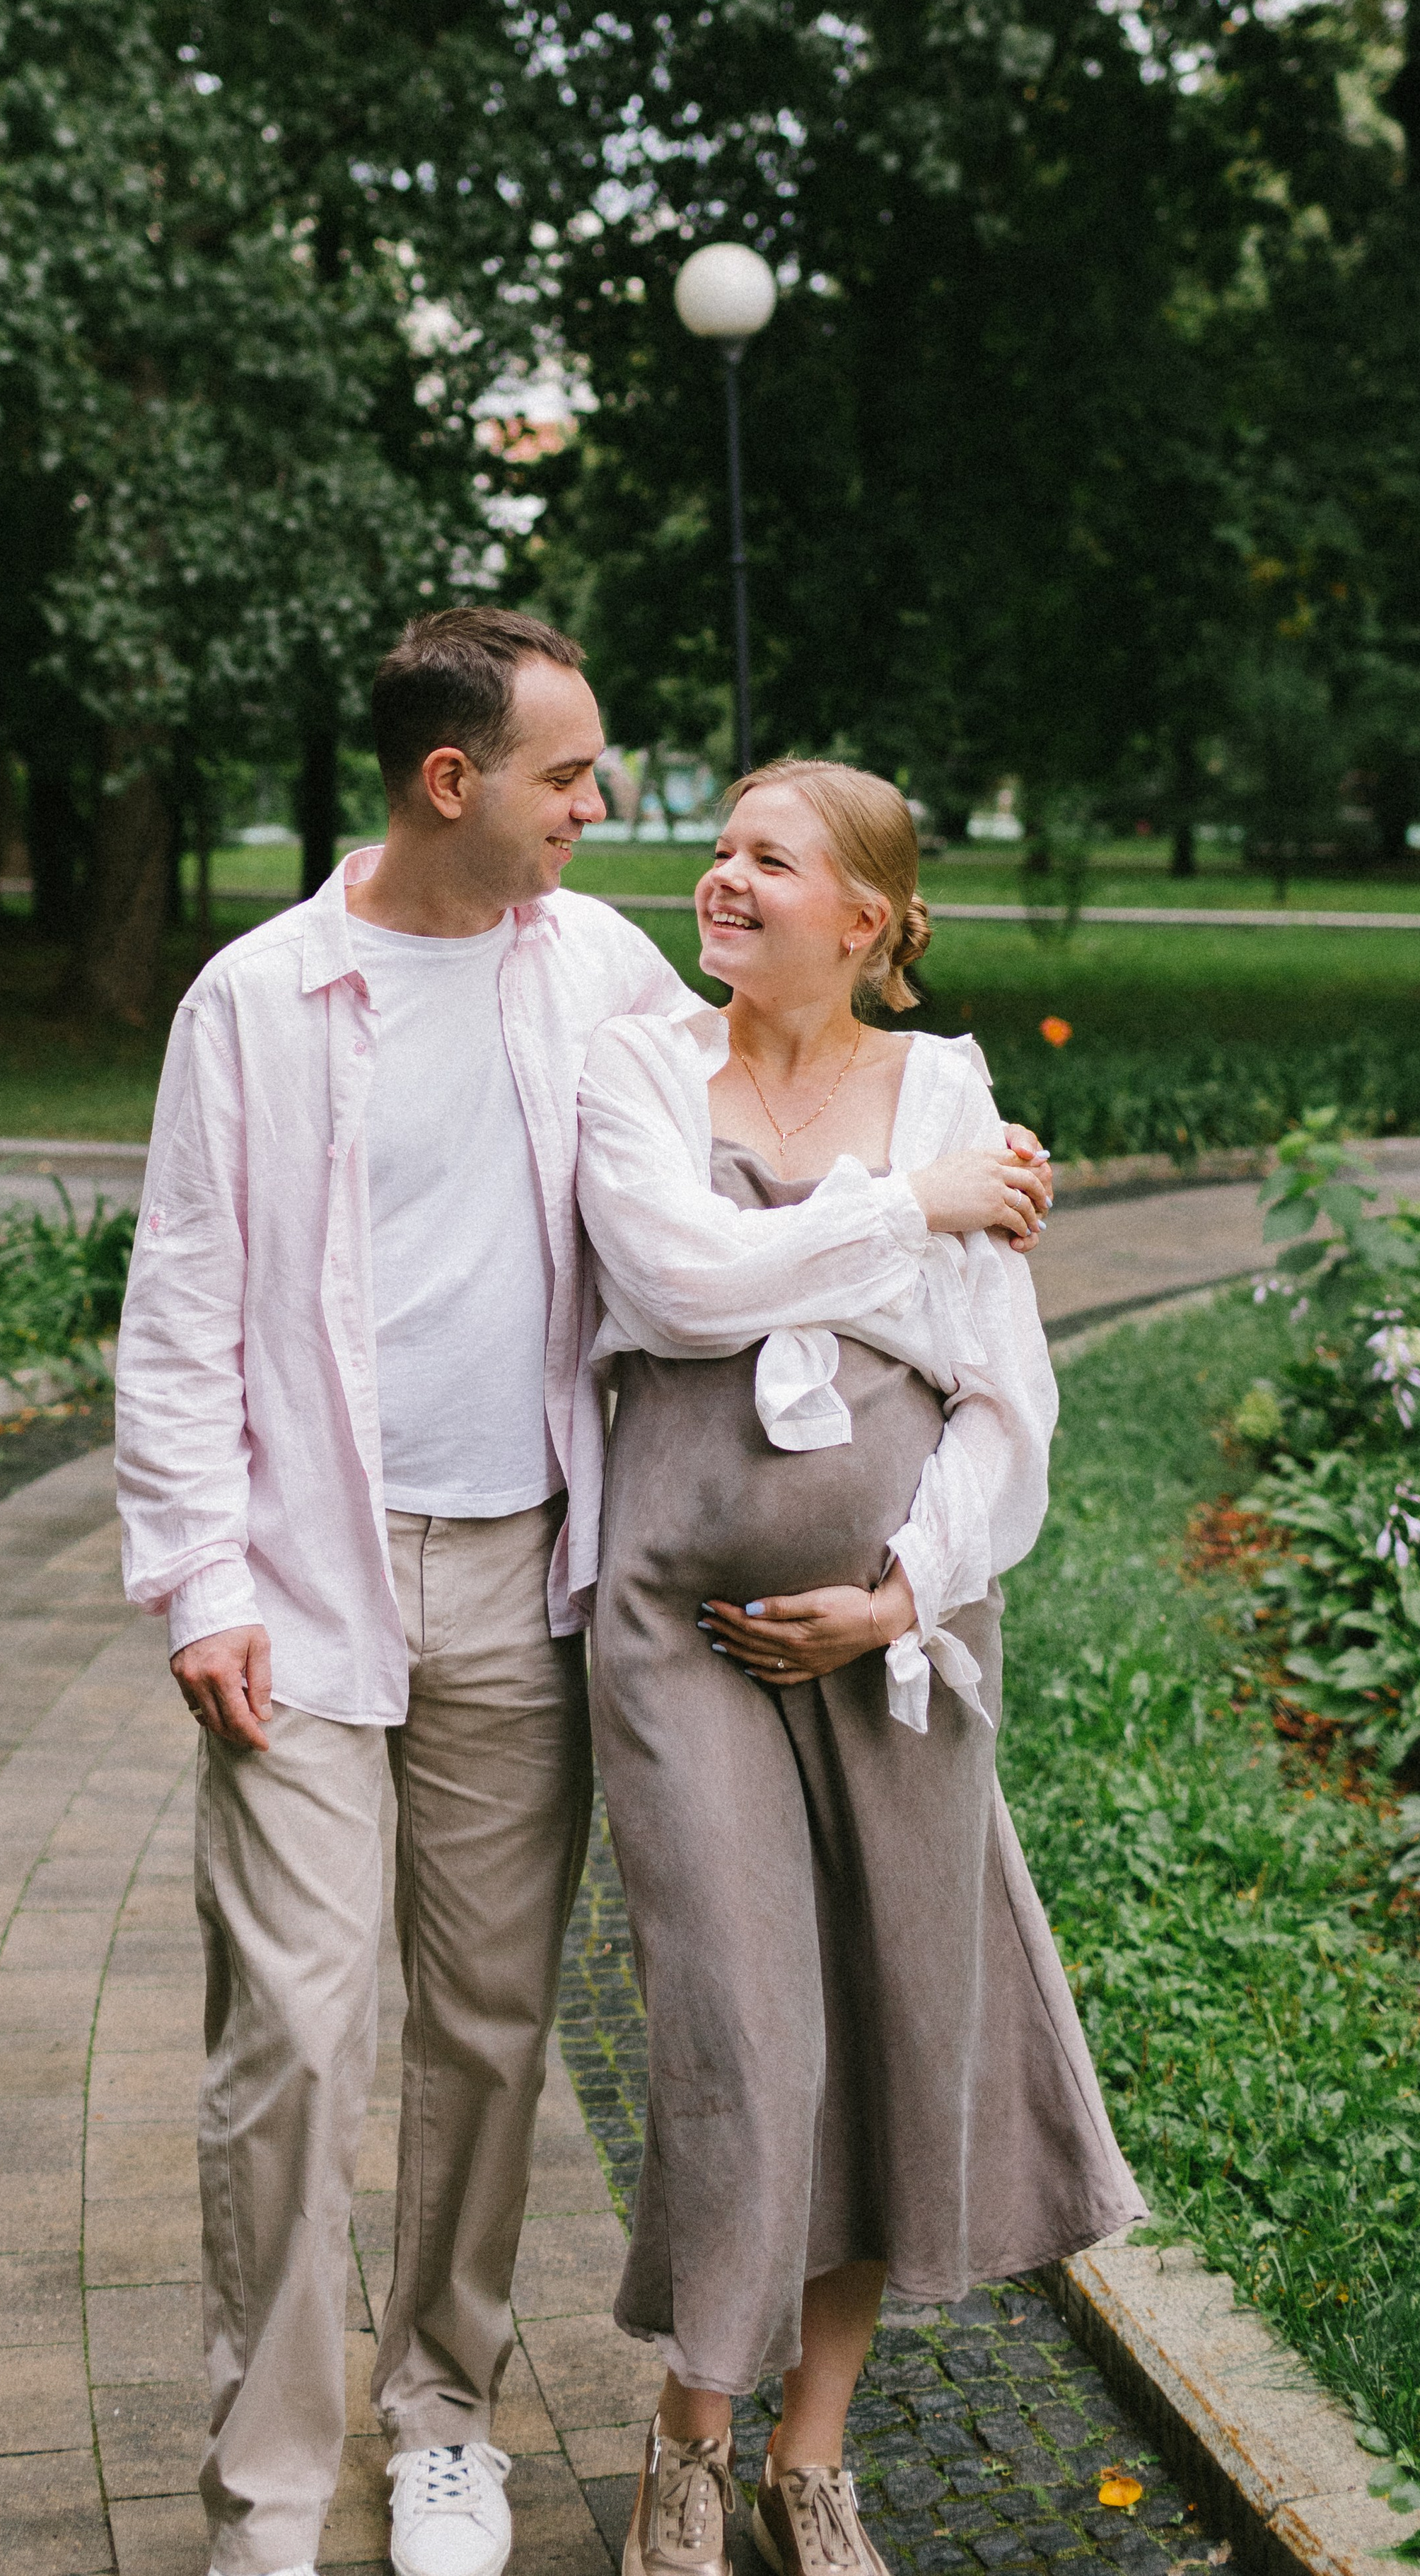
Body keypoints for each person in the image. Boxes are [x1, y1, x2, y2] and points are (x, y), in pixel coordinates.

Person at [115, 617, 1052, 2576]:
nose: (601, 806)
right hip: (305, 1593)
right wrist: (200, 1579)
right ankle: (270, 2501)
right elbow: (182, 1313)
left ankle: (444, 2414)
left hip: (535, 1580)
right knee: (291, 2036)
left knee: (487, 2026)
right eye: (569, 776)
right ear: (454, 783)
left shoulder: (602, 982)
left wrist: (956, 1176)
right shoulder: (259, 1001)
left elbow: (791, 1178)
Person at [574, 760, 1146, 2576]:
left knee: (893, 2028)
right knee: (741, 2035)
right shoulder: (643, 1068)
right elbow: (671, 1282)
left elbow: (1000, 1401)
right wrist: (911, 1212)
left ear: (870, 920)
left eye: (770, 857)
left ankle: (806, 2460)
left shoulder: (950, 1094)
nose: (721, 877)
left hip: (898, 1644)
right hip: (678, 1632)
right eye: (717, 848)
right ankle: (689, 2429)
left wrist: (895, 1599)